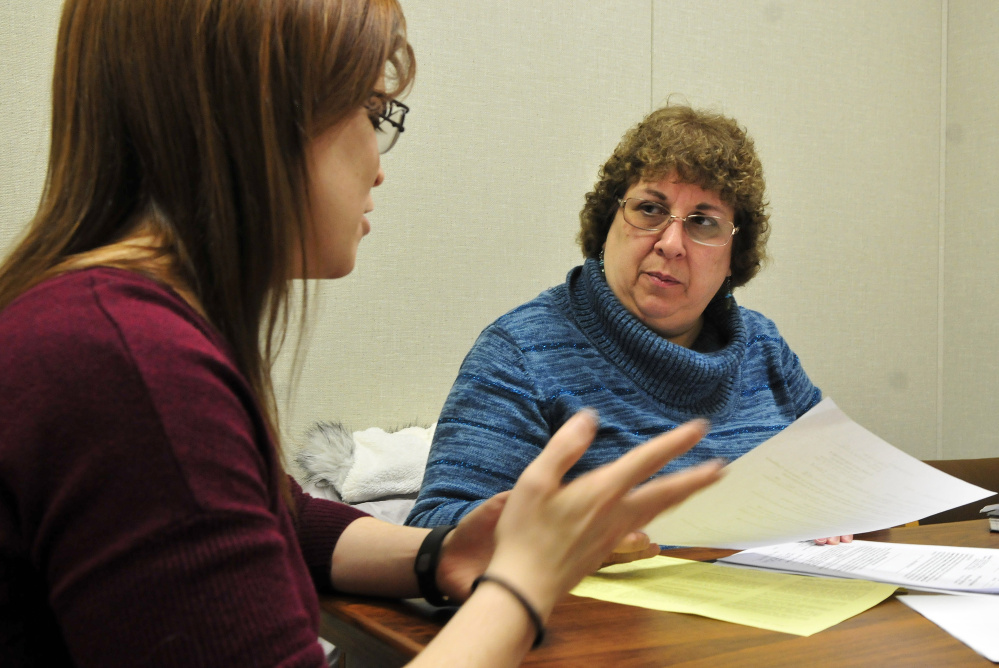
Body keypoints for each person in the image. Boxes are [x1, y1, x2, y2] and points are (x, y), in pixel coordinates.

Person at [0, 1, 725, 666]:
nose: (378, 167)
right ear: (256, 119)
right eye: (373, 113)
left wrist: (439, 553)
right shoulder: (130, 363)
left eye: (703, 224)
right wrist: (521, 583)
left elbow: (277, 515)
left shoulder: (92, 321)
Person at [407, 104, 851, 547]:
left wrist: (838, 507)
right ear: (607, 224)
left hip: (775, 606)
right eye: (651, 210)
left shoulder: (763, 347)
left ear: (733, 256)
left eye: (703, 222)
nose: (671, 243)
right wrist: (572, 535)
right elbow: (434, 527)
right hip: (602, 614)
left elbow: (844, 473)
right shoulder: (521, 352)